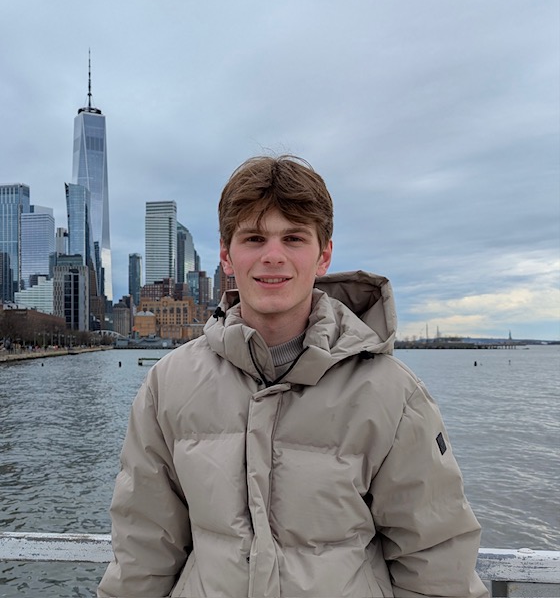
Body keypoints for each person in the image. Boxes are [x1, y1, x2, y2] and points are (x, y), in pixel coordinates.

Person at [98, 155, 488, 597]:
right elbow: (143, 548)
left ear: (324, 255)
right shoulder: (168, 385)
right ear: (226, 255)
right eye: (254, 238)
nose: (273, 256)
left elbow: (436, 561)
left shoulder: (393, 394)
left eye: (294, 238)